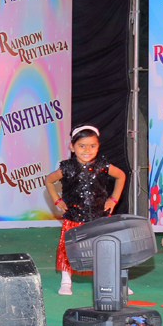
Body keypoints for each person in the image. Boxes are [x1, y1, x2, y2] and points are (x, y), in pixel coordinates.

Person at [45, 125, 127, 296]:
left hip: (99, 217)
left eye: (92, 146)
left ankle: (112, 280)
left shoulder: (103, 165)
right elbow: (49, 181)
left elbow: (121, 176)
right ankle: (66, 281)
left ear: (98, 146)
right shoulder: (66, 168)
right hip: (74, 217)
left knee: (104, 249)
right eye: (82, 146)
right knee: (69, 249)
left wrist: (114, 199)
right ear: (72, 147)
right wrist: (57, 200)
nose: (87, 150)